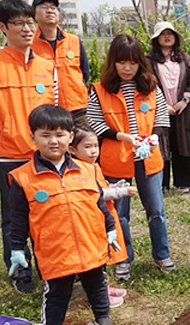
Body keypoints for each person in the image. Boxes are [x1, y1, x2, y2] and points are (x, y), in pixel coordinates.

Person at [9, 104, 116, 325]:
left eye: (59, 135)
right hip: (55, 252)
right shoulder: (23, 178)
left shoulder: (87, 169)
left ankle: (103, 320)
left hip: (90, 245)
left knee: (97, 286)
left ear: (71, 137)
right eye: (45, 135)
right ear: (33, 137)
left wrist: (111, 227)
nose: (53, 141)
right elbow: (18, 218)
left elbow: (98, 203)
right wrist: (17, 248)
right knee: (57, 294)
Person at [87, 34, 175, 281]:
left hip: (148, 158)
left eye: (133, 62)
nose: (127, 68)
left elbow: (161, 118)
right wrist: (122, 137)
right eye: (122, 62)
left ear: (140, 63)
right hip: (116, 159)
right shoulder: (99, 89)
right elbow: (94, 122)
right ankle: (122, 259)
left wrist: (156, 136)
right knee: (119, 213)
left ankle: (162, 254)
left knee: (156, 210)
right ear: (112, 62)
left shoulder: (151, 86)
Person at [0, 0, 56, 293]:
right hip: (7, 155)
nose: (26, 28)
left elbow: (55, 109)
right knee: (13, 218)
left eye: (29, 23)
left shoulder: (47, 66)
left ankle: (51, 266)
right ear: (3, 27)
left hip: (42, 154)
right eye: (19, 23)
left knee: (46, 213)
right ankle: (20, 270)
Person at [70, 126, 138, 308]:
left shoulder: (93, 166)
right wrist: (121, 191)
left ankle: (104, 287)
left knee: (104, 257)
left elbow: (102, 186)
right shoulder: (79, 170)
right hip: (93, 221)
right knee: (98, 259)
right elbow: (97, 194)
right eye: (87, 147)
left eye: (95, 146)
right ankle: (99, 295)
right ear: (73, 150)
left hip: (104, 218)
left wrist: (115, 185)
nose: (93, 151)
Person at [147, 21, 190, 193]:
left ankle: (183, 182)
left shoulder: (185, 58)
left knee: (183, 143)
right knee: (161, 144)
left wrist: (184, 101)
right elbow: (147, 83)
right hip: (159, 109)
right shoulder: (149, 61)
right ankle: (161, 184)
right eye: (163, 34)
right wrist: (163, 105)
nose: (167, 37)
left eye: (170, 33)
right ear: (157, 38)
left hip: (183, 109)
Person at [31, 0, 90, 127]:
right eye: (44, 7)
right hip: (46, 112)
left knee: (84, 145)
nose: (50, 10)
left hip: (78, 109)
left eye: (53, 7)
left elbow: (85, 73)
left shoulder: (74, 41)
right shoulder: (30, 45)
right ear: (34, 15)